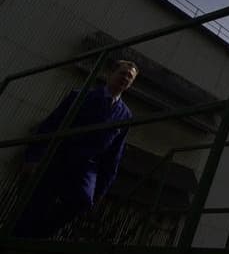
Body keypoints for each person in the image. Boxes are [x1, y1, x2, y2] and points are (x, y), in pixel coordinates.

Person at [12, 60, 138, 239]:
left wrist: (101, 190)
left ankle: (39, 235)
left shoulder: (125, 115)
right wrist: (32, 157)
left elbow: (114, 155)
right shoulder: (81, 96)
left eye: (130, 77)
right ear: (110, 74)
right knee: (37, 202)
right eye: (123, 73)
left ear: (131, 84)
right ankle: (16, 237)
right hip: (60, 155)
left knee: (83, 200)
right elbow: (51, 125)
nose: (125, 78)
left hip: (86, 167)